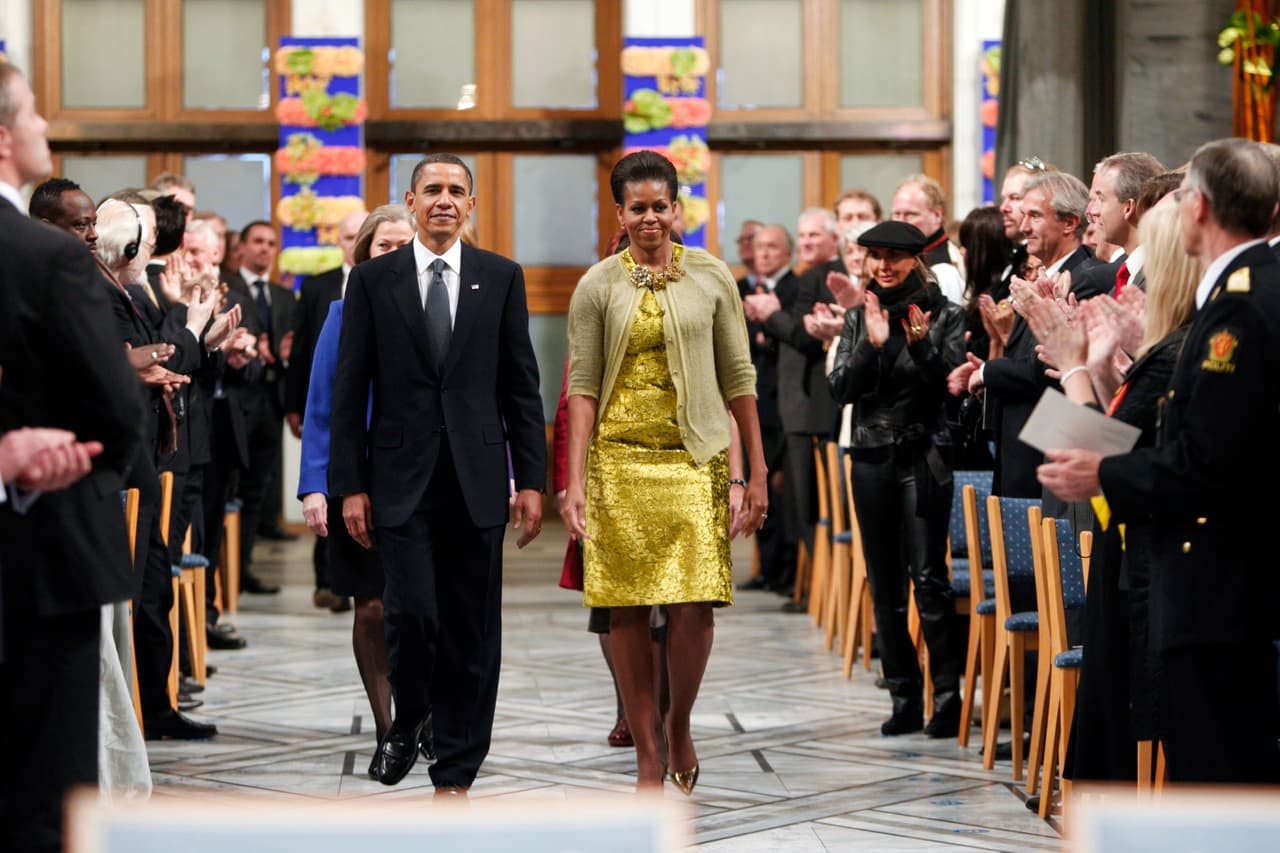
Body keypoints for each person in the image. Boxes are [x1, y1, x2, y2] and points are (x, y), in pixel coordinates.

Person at [1037, 138, 1280, 784]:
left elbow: (1126, 448)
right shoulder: (1182, 335)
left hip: (1200, 577)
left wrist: (1074, 369)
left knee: (1218, 775)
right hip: (1169, 565)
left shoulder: (1223, 317)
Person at [330, 153, 546, 795]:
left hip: (478, 479)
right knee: (414, 616)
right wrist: (349, 485)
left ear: (470, 204)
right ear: (412, 199)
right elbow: (349, 390)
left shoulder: (501, 276)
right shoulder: (374, 280)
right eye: (432, 190)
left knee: (473, 630)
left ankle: (457, 765)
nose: (444, 200)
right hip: (398, 479)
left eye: (456, 190)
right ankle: (411, 716)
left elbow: (521, 385)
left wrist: (530, 479)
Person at [562, 150, 767, 793]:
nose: (650, 218)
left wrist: (754, 472)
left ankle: (680, 723)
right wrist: (572, 483)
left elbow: (739, 380)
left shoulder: (711, 276)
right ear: (619, 213)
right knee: (624, 607)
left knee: (692, 606)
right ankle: (648, 746)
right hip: (618, 461)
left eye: (661, 207)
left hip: (694, 458)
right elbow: (581, 388)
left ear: (677, 210)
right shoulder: (597, 284)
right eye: (637, 208)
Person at [0, 60, 144, 853]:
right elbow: (115, 411)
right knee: (42, 800)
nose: (46, 129)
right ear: (3, 138)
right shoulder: (43, 258)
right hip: (42, 549)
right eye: (34, 116)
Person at [1025, 202, 1198, 782]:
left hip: (1149, 546)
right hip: (1123, 536)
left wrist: (1078, 370)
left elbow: (1103, 455)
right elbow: (1109, 437)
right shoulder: (1168, 348)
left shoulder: (1178, 349)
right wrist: (1099, 367)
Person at [827, 220, 966, 737]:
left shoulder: (945, 314)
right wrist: (873, 345)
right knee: (884, 584)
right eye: (875, 256)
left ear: (916, 261)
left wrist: (922, 343)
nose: (883, 266)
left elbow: (949, 387)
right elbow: (840, 389)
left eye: (894, 257)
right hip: (869, 458)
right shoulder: (859, 319)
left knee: (929, 579)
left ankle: (948, 699)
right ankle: (904, 697)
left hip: (923, 455)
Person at [299, 204, 416, 778]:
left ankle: (425, 714)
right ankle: (387, 727)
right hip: (359, 481)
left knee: (424, 609)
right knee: (370, 608)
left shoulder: (436, 308)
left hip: (423, 478)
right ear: (362, 254)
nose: (393, 255)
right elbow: (322, 405)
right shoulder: (342, 314)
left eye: (404, 245)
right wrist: (316, 486)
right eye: (383, 246)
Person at [289, 207, 368, 612]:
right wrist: (294, 406)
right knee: (331, 503)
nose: (357, 244)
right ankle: (329, 583)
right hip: (333, 411)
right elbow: (305, 351)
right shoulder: (321, 289)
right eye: (349, 236)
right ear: (339, 242)